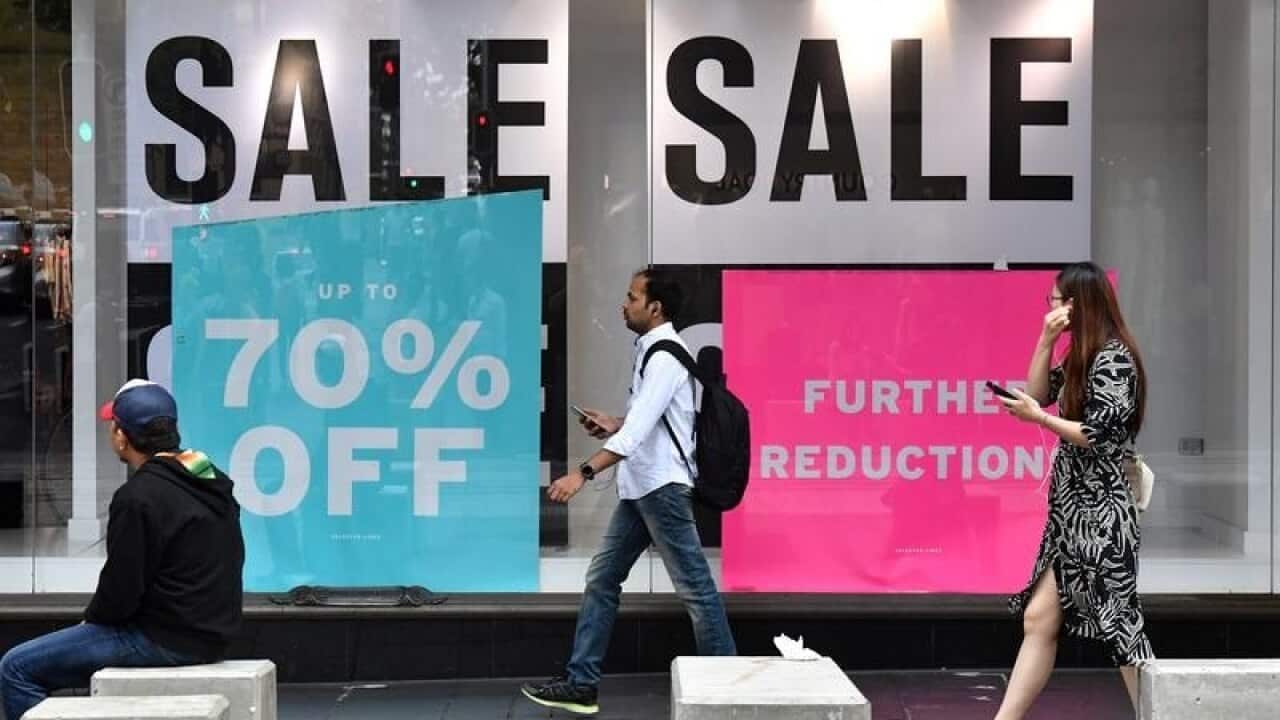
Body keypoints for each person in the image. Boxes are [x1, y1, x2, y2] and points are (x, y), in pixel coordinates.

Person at [520, 268, 736, 715]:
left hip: (661, 489)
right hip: (643, 488)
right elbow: (645, 423)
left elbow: (637, 436)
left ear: (655, 307)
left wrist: (582, 472)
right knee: (602, 579)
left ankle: (727, 688)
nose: (624, 303)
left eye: (632, 296)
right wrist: (614, 422)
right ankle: (582, 684)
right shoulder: (652, 352)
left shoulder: (664, 357)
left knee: (695, 588)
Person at [0, 380, 245, 720]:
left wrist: (92, 621)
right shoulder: (209, 480)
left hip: (161, 639)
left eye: (113, 425)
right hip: (212, 634)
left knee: (16, 668)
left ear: (121, 435)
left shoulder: (138, 497)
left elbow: (121, 592)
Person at [993, 262, 1152, 719]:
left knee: (1121, 630)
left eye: (1057, 301)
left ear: (1079, 303)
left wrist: (1040, 420)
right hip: (1069, 512)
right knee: (1040, 618)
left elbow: (1101, 432)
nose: (1053, 308)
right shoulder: (1079, 356)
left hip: (1102, 515)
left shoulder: (1115, 358)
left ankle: (1163, 711)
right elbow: (1039, 393)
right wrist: (1044, 341)